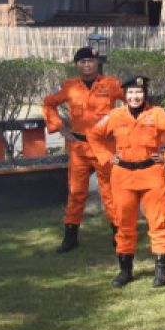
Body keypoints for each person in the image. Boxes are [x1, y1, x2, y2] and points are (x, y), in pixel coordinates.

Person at [88, 76, 165, 289]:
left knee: (159, 221)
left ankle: (161, 271)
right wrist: (107, 157)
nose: (135, 97)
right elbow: (93, 135)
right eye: (131, 93)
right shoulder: (115, 116)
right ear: (124, 95)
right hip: (123, 175)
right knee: (123, 224)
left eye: (139, 93)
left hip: (152, 174)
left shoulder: (157, 114)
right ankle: (125, 270)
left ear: (145, 94)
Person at [43, 47, 124, 253]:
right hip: (78, 148)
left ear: (97, 63)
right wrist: (60, 128)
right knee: (76, 193)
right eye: (82, 61)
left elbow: (136, 101)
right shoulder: (70, 87)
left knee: (110, 193)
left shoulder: (112, 84)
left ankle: (119, 235)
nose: (87, 65)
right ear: (76, 65)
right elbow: (48, 104)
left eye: (90, 61)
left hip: (105, 146)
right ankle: (70, 238)